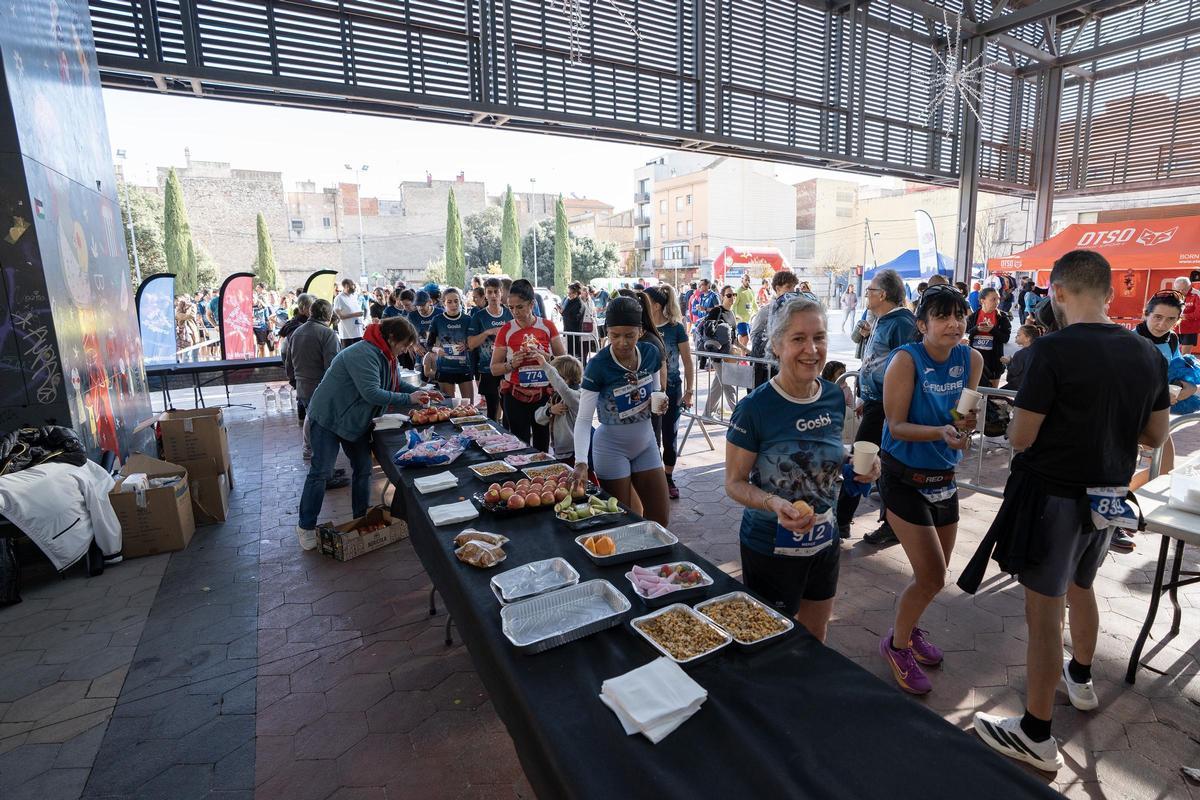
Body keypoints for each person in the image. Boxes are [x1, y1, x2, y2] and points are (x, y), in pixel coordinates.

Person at [962, 250, 1169, 773]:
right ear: (1110, 293)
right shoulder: (1147, 354)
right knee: (1083, 587)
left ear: (1056, 292)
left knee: (1044, 611)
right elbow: (1155, 435)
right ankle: (1080, 676)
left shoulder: (1052, 352)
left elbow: (1023, 436)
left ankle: (1035, 731)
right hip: (1107, 497)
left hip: (1053, 497)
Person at [724, 298, 881, 641]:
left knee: (815, 632)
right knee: (769, 639)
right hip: (770, 545)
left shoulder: (833, 396)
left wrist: (855, 459)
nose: (811, 349)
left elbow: (824, 450)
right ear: (777, 345)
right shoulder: (754, 408)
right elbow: (734, 483)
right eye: (798, 339)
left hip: (824, 539)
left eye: (819, 338)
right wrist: (774, 503)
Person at [876, 286, 982, 694]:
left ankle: (910, 628)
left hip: (945, 479)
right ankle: (897, 645)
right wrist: (941, 431)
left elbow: (963, 412)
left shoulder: (970, 357)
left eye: (959, 315)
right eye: (942, 316)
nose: (954, 323)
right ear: (921, 325)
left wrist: (961, 429)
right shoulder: (906, 360)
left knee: (933, 578)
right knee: (932, 574)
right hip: (903, 478)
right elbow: (896, 425)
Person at [297, 317, 440, 550]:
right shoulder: (364, 353)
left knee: (363, 469)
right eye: (404, 344)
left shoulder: (387, 355)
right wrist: (409, 399)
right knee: (321, 472)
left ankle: (360, 518)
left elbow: (393, 384)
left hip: (354, 422)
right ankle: (305, 526)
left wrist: (420, 392)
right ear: (392, 338)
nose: (405, 350)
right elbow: (372, 393)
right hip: (328, 417)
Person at [572, 295, 670, 526]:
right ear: (607, 332)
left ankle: (650, 562)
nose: (623, 342)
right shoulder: (598, 365)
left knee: (660, 519)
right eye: (615, 335)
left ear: (641, 331)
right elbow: (584, 419)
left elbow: (656, 390)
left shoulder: (650, 353)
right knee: (622, 522)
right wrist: (580, 461)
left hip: (646, 443)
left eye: (630, 335)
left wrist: (661, 401)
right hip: (611, 448)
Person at [837, 268, 916, 545]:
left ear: (883, 294)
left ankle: (843, 521)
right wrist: (865, 396)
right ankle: (862, 521)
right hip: (874, 403)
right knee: (878, 465)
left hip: (887, 407)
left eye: (870, 290)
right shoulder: (881, 319)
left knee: (864, 462)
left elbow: (905, 367)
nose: (866, 294)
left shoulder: (902, 323)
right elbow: (876, 361)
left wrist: (885, 401)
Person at [283, 299, 348, 496]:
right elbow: (333, 366)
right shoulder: (327, 333)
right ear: (328, 316)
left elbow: (287, 362)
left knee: (317, 429)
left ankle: (327, 470)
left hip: (303, 388)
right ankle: (324, 475)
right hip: (321, 389)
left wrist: (294, 381)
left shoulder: (296, 332)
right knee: (323, 435)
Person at [491, 279, 566, 450]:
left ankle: (542, 476)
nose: (515, 312)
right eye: (511, 307)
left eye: (520, 307)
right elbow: (494, 369)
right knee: (520, 446)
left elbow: (564, 364)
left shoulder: (547, 326)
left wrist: (547, 357)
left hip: (543, 396)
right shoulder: (506, 330)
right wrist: (511, 364)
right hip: (515, 396)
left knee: (542, 446)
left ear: (532, 304)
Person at [646, 285, 694, 500]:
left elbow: (688, 361)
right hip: (646, 392)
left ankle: (668, 477)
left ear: (656, 305)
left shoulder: (676, 328)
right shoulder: (642, 329)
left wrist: (690, 391)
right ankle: (653, 477)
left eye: (645, 300)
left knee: (669, 434)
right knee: (649, 436)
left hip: (672, 390)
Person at [468, 277, 514, 421]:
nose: (493, 295)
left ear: (502, 293)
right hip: (487, 369)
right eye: (490, 292)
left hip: (509, 368)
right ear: (485, 295)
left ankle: (509, 439)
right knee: (492, 410)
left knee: (508, 409)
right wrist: (488, 332)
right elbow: (470, 344)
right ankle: (493, 440)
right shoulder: (478, 316)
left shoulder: (510, 314)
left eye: (496, 292)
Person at [749, 270, 801, 388]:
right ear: (777, 289)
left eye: (793, 287)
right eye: (788, 287)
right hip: (767, 367)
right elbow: (754, 335)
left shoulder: (796, 312)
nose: (792, 291)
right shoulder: (766, 311)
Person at [423, 287, 475, 402]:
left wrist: (467, 345)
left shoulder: (468, 319)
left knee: (469, 405)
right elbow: (429, 345)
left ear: (460, 301)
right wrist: (437, 350)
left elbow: (474, 342)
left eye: (456, 301)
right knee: (449, 407)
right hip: (445, 369)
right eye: (449, 302)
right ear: (444, 303)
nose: (453, 304)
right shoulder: (437, 320)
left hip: (464, 367)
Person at [532, 353, 583, 462]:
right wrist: (550, 410)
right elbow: (538, 417)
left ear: (566, 379)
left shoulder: (575, 396)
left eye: (555, 377)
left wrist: (545, 365)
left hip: (574, 451)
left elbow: (562, 388)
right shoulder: (556, 397)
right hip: (559, 450)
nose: (551, 381)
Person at [699, 290, 741, 418]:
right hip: (716, 353)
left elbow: (734, 339)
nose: (732, 298)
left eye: (734, 295)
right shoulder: (716, 311)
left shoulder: (732, 314)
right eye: (729, 295)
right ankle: (738, 416)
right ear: (722, 297)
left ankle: (707, 414)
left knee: (718, 385)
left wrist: (746, 350)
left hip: (728, 355)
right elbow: (707, 332)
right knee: (728, 386)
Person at [966, 287, 1012, 387]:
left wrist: (992, 330)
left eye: (998, 299)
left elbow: (1005, 338)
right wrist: (976, 329)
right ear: (983, 301)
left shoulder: (1002, 317)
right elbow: (965, 336)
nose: (997, 302)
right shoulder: (972, 317)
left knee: (991, 394)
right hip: (974, 359)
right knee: (973, 391)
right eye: (993, 299)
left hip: (994, 361)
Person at [1001, 324, 1039, 392]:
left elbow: (1014, 371)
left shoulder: (1020, 354)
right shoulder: (1037, 351)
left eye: (1018, 335)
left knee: (994, 395)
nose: (1015, 337)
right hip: (1032, 386)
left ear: (1028, 338)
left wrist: (1008, 362)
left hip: (1017, 386)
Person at [333, 279, 366, 348]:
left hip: (358, 331)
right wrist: (355, 314)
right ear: (346, 286)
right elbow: (340, 316)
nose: (354, 287)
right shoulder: (339, 298)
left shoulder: (353, 297)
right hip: (347, 334)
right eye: (352, 285)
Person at [562, 282, 586, 360]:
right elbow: (567, 314)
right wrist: (562, 312)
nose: (569, 295)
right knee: (569, 355)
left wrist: (563, 313)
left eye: (570, 293)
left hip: (575, 334)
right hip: (568, 332)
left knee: (575, 356)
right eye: (568, 293)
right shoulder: (569, 301)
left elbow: (575, 318)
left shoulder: (579, 304)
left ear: (576, 293)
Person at [733, 273, 758, 348]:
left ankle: (740, 357)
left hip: (748, 321)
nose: (748, 282)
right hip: (740, 320)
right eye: (746, 280)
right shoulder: (737, 291)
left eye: (749, 280)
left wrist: (759, 313)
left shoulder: (751, 291)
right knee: (745, 339)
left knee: (743, 341)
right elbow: (733, 305)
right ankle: (742, 358)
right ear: (742, 280)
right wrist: (734, 316)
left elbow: (753, 304)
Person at [175, 298, 202, 362]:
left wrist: (190, 307)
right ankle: (186, 370)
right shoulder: (178, 313)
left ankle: (196, 370)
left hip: (194, 335)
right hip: (186, 337)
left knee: (195, 356)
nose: (188, 302)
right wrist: (192, 306)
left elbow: (192, 317)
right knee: (187, 356)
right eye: (186, 301)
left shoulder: (188, 310)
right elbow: (191, 315)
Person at [1179, 271, 1200, 354]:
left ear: (1189, 286)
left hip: (1190, 329)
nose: (1181, 291)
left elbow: (1198, 313)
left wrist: (1186, 316)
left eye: (1183, 289)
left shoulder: (1197, 294)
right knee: (1174, 354)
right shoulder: (1175, 294)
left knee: (1185, 356)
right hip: (1177, 328)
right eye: (1179, 289)